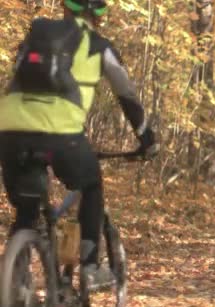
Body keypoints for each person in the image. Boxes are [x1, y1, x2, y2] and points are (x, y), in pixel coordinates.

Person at [0, 0, 158, 288]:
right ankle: (89, 267)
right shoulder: (99, 45)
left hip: (10, 130)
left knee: (27, 211)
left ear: (65, 7)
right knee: (91, 184)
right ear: (100, 13)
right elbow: (127, 95)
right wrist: (146, 137)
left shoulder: (37, 37)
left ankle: (16, 294)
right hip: (60, 135)